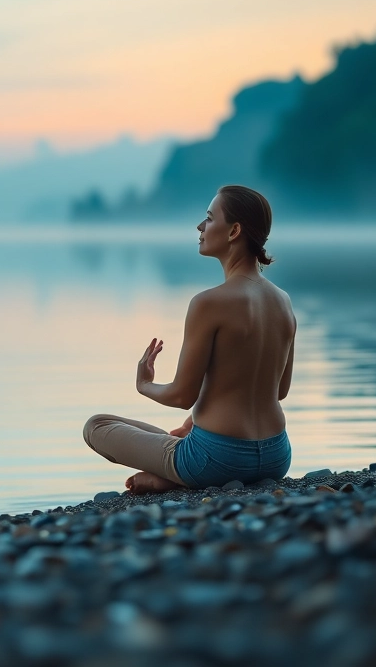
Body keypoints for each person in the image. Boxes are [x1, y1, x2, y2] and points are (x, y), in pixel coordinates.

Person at [83, 185, 295, 493]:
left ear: (234, 230)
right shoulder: (283, 301)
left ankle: (176, 477)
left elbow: (182, 396)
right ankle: (184, 462)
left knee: (97, 426)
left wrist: (145, 385)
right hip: (277, 457)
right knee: (180, 434)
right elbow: (279, 391)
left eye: (209, 218)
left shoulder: (208, 303)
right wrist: (196, 422)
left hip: (215, 460)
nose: (200, 226)